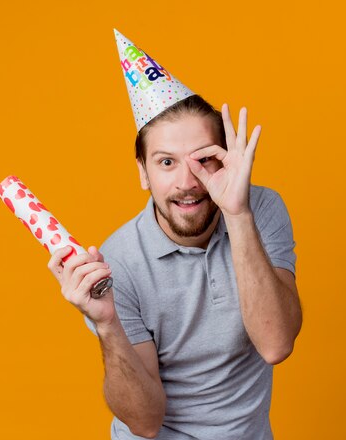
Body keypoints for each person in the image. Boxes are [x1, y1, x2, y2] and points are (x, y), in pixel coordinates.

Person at [47, 31, 302, 440]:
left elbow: (275, 345)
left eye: (203, 159)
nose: (188, 181)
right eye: (166, 162)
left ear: (225, 160)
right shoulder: (120, 261)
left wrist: (237, 215)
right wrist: (108, 324)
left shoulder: (261, 210)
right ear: (143, 172)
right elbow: (145, 422)